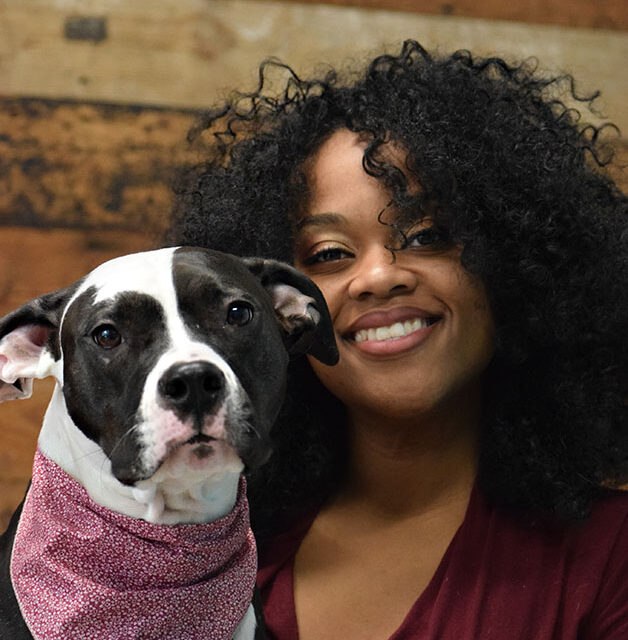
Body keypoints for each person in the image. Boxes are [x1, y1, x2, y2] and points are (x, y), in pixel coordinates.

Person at [168, 40, 628, 639]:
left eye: (427, 235)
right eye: (330, 254)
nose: (381, 276)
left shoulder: (610, 560)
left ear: (518, 267)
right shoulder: (202, 555)